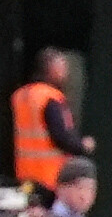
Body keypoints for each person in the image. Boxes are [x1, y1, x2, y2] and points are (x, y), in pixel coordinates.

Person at [9, 49, 89, 193]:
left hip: (25, 177)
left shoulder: (19, 96)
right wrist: (82, 146)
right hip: (52, 177)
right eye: (61, 67)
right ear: (50, 68)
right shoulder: (50, 98)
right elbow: (61, 137)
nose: (66, 72)